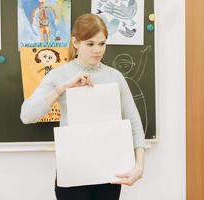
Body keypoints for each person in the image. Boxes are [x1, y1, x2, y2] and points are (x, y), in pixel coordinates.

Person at [20, 13, 146, 200]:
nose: (97, 50)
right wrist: (62, 88)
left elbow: (134, 121)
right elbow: (27, 115)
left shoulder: (115, 77)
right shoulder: (59, 75)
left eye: (102, 43)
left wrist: (139, 167)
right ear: (75, 42)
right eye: (90, 44)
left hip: (109, 172)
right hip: (73, 172)